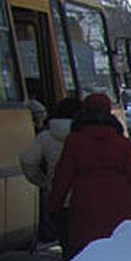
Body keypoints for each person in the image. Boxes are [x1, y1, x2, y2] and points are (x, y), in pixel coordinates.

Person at [48, 93, 131, 257]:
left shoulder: (74, 141)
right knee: (120, 250)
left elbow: (62, 178)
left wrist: (54, 206)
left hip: (85, 202)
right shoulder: (121, 142)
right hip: (121, 201)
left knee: (89, 253)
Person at [20, 97, 81, 252]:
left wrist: (44, 182)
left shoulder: (46, 137)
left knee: (67, 243)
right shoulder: (86, 135)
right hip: (87, 198)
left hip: (59, 197)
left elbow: (28, 161)